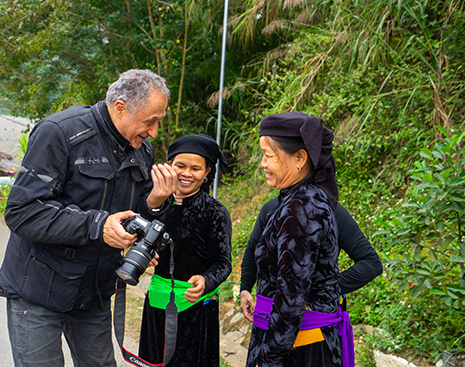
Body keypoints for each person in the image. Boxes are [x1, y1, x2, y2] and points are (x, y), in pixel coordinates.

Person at [0, 69, 177, 367]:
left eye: (158, 122)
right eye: (149, 121)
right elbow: (22, 212)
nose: (154, 131)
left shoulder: (141, 149)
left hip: (92, 291)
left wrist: (154, 203)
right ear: (120, 107)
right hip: (38, 289)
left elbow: (132, 213)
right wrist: (98, 226)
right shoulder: (60, 132)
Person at [245, 112, 353, 367]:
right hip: (291, 340)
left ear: (300, 158)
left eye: (268, 155)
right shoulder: (296, 200)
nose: (262, 163)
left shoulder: (303, 207)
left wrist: (269, 358)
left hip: (301, 347)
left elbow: (291, 295)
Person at [138, 134, 233, 366]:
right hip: (158, 303)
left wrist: (205, 280)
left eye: (196, 168)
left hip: (196, 307)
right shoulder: (153, 203)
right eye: (180, 165)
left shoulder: (215, 213)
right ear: (170, 165)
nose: (186, 173)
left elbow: (223, 262)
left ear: (207, 172)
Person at [240, 198, 383, 321]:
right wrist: (245, 288)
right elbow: (251, 250)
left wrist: (323, 288)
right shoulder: (270, 209)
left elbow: (371, 262)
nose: (264, 165)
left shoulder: (330, 211)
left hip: (314, 326)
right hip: (268, 322)